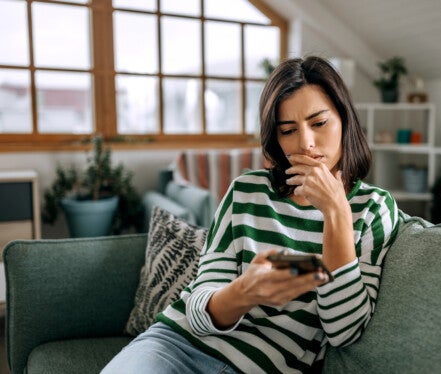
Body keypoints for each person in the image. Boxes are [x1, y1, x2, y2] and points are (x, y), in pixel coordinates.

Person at [102, 56, 400, 374]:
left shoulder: (373, 209)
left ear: (345, 119)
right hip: (176, 346)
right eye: (288, 130)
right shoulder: (247, 191)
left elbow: (344, 332)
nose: (306, 143)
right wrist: (246, 290)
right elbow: (199, 312)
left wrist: (336, 211)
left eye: (319, 123)